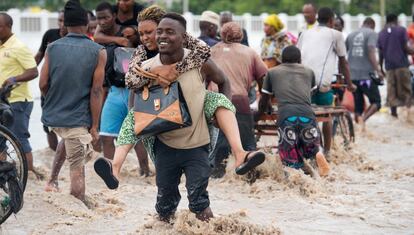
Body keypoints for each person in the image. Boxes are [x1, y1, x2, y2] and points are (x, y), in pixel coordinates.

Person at [94, 6, 265, 190]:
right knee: (133, 116)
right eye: (142, 33)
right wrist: (153, 71)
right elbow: (131, 81)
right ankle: (116, 167)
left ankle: (240, 154)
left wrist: (175, 69)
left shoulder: (188, 46)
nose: (145, 38)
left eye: (150, 32)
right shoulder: (141, 53)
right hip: (156, 114)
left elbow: (205, 53)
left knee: (217, 100)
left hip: (190, 117)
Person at [143, 12, 228, 222]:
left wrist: (222, 108)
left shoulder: (199, 61)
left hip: (197, 145)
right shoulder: (147, 68)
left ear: (183, 37)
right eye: (159, 31)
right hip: (165, 145)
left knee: (199, 202)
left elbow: (223, 81)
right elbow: (135, 99)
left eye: (170, 32)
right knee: (164, 207)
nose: (162, 36)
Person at [39, 0, 106, 201]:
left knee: (66, 138)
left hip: (54, 115)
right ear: (86, 24)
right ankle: (78, 210)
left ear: (65, 24)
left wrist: (52, 102)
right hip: (78, 117)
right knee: (77, 170)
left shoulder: (52, 48)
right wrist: (95, 126)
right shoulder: (98, 51)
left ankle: (52, 181)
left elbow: (43, 83)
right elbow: (96, 91)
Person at [96, 1, 150, 175]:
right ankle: (111, 172)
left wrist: (132, 35)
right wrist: (117, 40)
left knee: (137, 134)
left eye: (105, 18)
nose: (103, 21)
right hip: (114, 89)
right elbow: (97, 37)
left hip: (136, 89)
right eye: (100, 19)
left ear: (114, 18)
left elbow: (140, 40)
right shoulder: (102, 34)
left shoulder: (130, 31)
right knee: (106, 135)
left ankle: (145, 171)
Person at [258, 45, 330, 177]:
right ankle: (317, 153)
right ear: (300, 59)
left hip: (286, 117)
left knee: (289, 155)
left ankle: (295, 180)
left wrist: (258, 115)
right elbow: (311, 94)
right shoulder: (309, 71)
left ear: (281, 59)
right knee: (310, 147)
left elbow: (264, 99)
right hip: (307, 115)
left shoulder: (272, 72)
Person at [209, 22, 268, 178]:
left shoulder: (212, 51)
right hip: (240, 101)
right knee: (247, 141)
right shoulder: (249, 52)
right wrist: (262, 98)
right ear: (240, 35)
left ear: (221, 34)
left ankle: (217, 177)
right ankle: (252, 177)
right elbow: (264, 77)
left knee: (220, 143)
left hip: (217, 101)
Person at [297, 7, 355, 156]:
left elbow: (298, 57)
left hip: (302, 84)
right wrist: (349, 84)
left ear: (317, 18)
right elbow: (343, 62)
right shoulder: (336, 34)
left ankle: (308, 149)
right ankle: (328, 152)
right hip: (323, 85)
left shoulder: (305, 33)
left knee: (308, 117)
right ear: (331, 21)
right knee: (327, 116)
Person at [0, 13, 40, 177]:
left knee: (19, 138)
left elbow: (33, 71)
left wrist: (14, 79)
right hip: (2, 101)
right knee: (2, 140)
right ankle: (4, 174)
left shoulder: (18, 46)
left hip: (18, 100)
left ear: (8, 27)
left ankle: (29, 175)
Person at [35, 10, 67, 153]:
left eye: (64, 21)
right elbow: (39, 56)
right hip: (47, 88)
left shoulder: (76, 39)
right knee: (48, 125)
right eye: (59, 20)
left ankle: (66, 153)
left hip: (66, 88)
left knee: (69, 126)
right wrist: (26, 71)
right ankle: (54, 153)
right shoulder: (50, 35)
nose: (61, 24)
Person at [346, 17, 384, 130]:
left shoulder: (351, 34)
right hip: (366, 77)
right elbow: (371, 50)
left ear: (363, 24)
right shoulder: (372, 33)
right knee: (376, 102)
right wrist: (378, 70)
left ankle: (357, 127)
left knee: (358, 106)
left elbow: (343, 54)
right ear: (372, 25)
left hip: (352, 77)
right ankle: (363, 120)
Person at [378, 13, 414, 119]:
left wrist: (381, 68)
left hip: (389, 67)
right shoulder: (401, 30)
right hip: (402, 65)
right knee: (406, 90)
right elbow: (405, 48)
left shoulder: (381, 33)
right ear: (395, 20)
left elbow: (380, 53)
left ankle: (394, 114)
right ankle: (409, 115)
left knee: (391, 92)